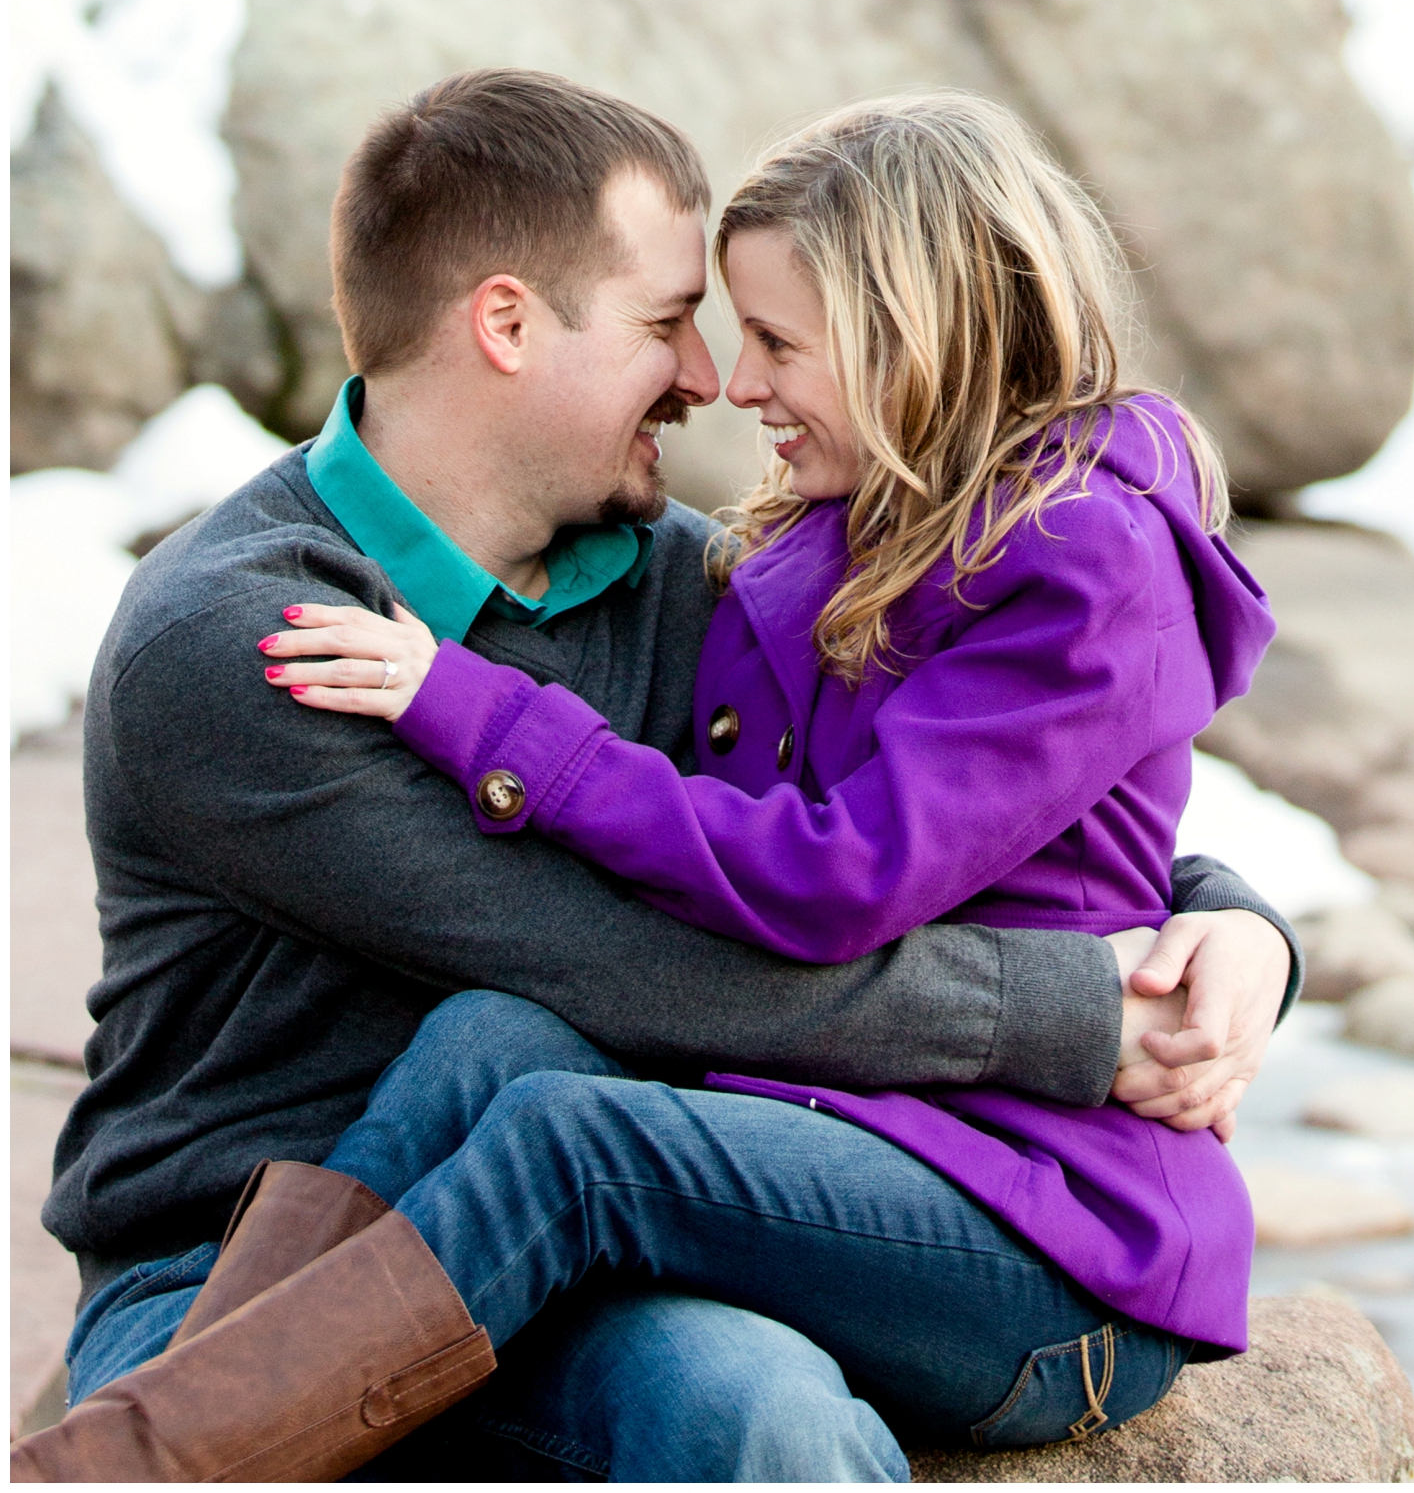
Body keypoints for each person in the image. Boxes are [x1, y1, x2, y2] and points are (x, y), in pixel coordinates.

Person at [21, 73, 1297, 1487]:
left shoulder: (697, 584)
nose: (710, 381)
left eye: (744, 333)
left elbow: (965, 787)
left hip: (596, 1228)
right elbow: (609, 963)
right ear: (505, 325)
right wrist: (1069, 1012)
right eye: (665, 325)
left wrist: (1226, 920)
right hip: (235, 1272)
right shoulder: (256, 635)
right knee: (497, 1063)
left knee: (757, 1410)